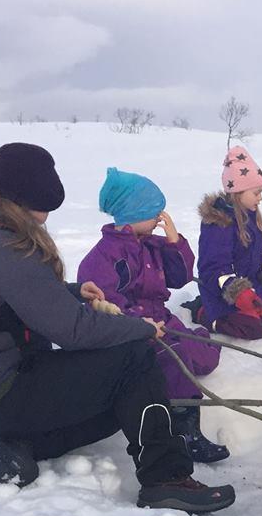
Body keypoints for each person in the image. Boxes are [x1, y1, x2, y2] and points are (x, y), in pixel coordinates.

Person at [0, 143, 234, 512]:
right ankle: (164, 478)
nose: (45, 219)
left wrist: (70, 292)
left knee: (118, 403)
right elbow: (72, 331)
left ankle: (10, 443)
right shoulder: (1, 246)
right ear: (24, 199)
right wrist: (140, 328)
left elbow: (5, 300)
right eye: (43, 206)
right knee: (133, 360)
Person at [77, 168, 229, 464]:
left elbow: (181, 276)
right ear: (133, 213)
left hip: (161, 317)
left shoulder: (151, 244)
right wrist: (138, 323)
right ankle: (185, 431)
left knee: (204, 356)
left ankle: (189, 353)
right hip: (135, 328)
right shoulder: (105, 257)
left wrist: (175, 243)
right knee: (175, 359)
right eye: (154, 213)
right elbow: (106, 303)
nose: (160, 218)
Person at [196, 146, 262, 341]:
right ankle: (205, 314)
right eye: (256, 193)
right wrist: (237, 291)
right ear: (238, 193)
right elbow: (212, 268)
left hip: (250, 287)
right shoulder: (219, 224)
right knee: (252, 329)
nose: (260, 198)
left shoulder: (251, 218)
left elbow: (261, 255)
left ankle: (254, 310)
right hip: (224, 294)